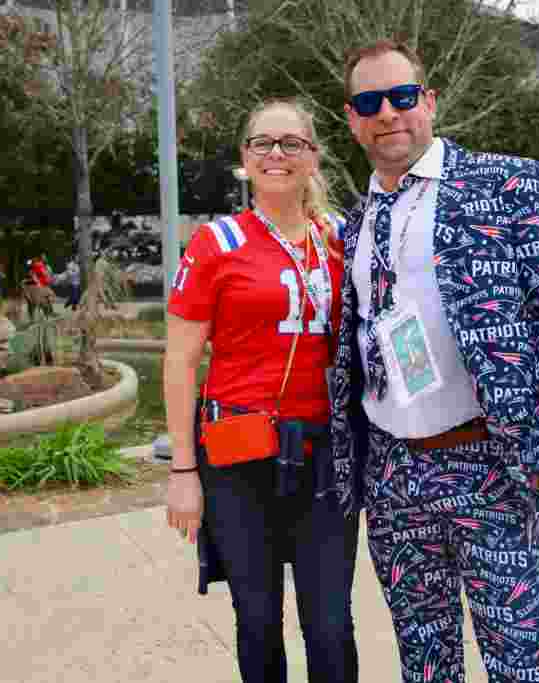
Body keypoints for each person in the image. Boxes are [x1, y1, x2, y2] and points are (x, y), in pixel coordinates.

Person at [329, 41, 539, 683]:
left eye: (402, 96)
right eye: (371, 102)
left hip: (486, 462)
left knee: (519, 651)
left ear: (428, 101)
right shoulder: (354, 222)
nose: (388, 112)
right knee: (424, 659)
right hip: (393, 473)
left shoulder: (508, 182)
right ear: (351, 118)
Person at [163, 98, 359, 682]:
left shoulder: (342, 239)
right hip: (239, 454)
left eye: (291, 143)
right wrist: (181, 472)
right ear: (245, 159)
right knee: (257, 620)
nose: (277, 154)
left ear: (313, 157)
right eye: (263, 144)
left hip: (325, 454)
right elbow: (179, 362)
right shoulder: (214, 243)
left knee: (330, 625)